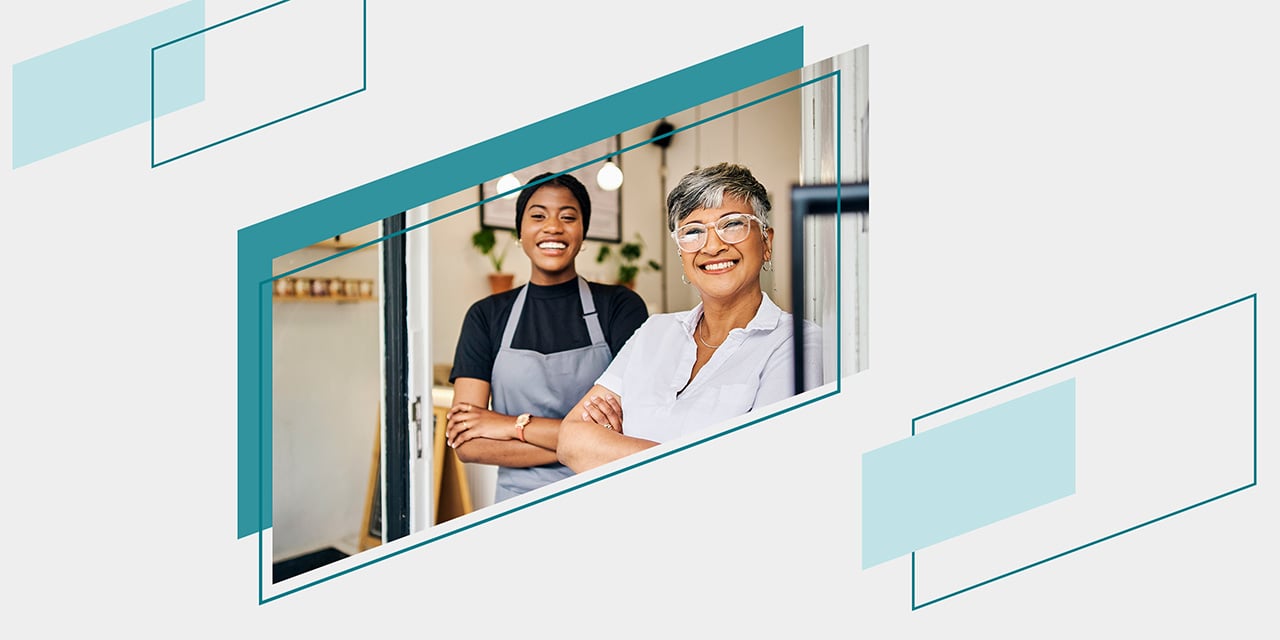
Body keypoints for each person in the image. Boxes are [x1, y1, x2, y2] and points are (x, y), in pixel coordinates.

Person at [557, 163, 822, 472]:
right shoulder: (654, 330)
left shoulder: (798, 344)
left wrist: (611, 446)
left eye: (733, 224)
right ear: (681, 253)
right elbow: (571, 439)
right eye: (693, 231)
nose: (712, 246)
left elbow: (759, 471)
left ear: (766, 242)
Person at [445, 172, 648, 502]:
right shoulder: (485, 316)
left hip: (607, 496)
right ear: (520, 232)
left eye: (568, 217)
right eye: (538, 215)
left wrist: (511, 426)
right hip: (517, 508)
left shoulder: (620, 307)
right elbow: (468, 444)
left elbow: (634, 427)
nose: (553, 226)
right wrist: (588, 442)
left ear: (583, 233)